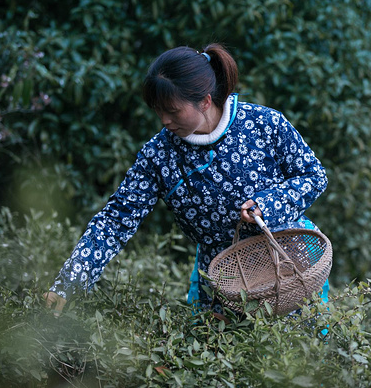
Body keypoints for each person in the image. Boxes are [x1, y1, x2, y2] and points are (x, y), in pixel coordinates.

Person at [44, 43, 329, 315]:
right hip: (222, 285)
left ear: (205, 101)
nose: (164, 121)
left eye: (172, 111)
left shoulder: (264, 124)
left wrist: (268, 205)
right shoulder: (159, 155)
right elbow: (115, 221)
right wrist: (69, 283)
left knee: (299, 358)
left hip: (290, 268)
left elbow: (314, 176)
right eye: (158, 111)